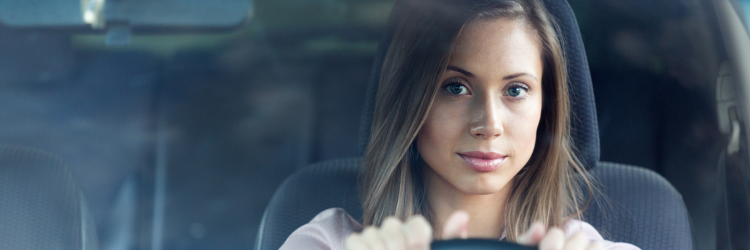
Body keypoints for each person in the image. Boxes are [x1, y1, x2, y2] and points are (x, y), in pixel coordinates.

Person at [280, 0, 640, 249]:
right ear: (410, 101)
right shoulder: (328, 244)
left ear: (547, 108)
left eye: (515, 90)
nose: (489, 124)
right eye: (456, 87)